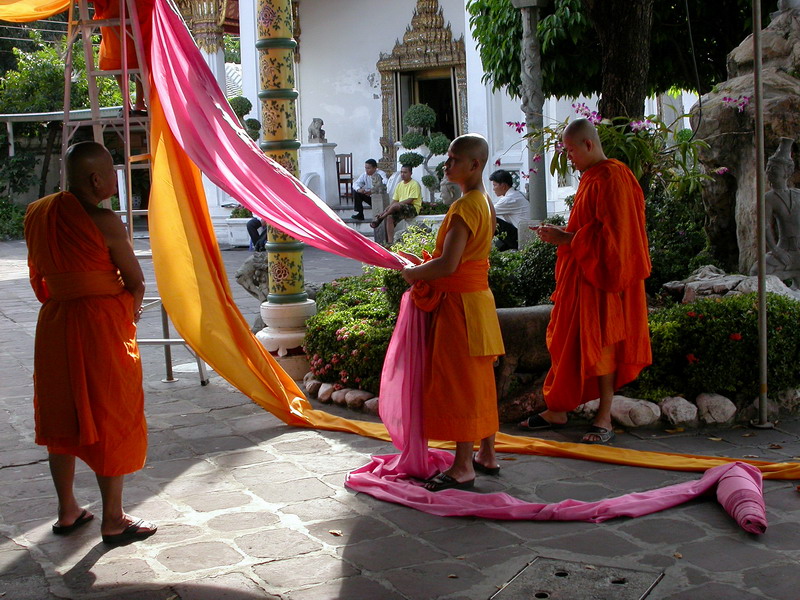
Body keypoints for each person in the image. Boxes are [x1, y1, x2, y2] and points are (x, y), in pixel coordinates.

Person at [24, 141, 157, 544]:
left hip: (56, 323)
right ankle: (113, 519)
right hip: (100, 327)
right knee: (110, 412)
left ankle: (67, 511)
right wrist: (126, 316)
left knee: (59, 418)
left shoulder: (38, 213)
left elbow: (41, 278)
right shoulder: (104, 221)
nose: (117, 178)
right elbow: (135, 282)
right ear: (96, 178)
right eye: (112, 172)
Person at [519, 118, 651, 444]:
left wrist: (565, 238)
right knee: (565, 342)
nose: (568, 158)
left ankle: (604, 417)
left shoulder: (613, 177)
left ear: (588, 145)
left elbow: (615, 240)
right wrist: (563, 237)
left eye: (570, 150)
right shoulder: (593, 177)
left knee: (602, 345)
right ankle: (558, 409)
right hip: (582, 276)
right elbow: (591, 227)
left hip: (603, 280)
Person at [401, 133, 505, 491]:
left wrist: (413, 273)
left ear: (474, 165)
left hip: (461, 304)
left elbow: (448, 264)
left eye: (454, 159)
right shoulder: (484, 201)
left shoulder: (464, 208)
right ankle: (487, 453)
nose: (447, 165)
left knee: (461, 383)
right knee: (480, 380)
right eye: (447, 159)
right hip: (480, 301)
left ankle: (463, 466)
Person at [93, 0, 155, 115]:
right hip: (131, 10)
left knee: (122, 53)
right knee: (136, 53)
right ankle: (136, 102)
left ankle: (130, 102)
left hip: (121, 10)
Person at [749, 144, 800, 277]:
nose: (769, 171)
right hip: (784, 250)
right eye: (768, 167)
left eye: (775, 168)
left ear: (787, 171)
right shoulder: (769, 198)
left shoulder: (797, 194)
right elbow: (764, 226)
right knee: (757, 271)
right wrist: (777, 251)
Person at [371, 165, 422, 245]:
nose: (402, 174)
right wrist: (385, 210)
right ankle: (390, 243)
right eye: (401, 172)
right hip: (400, 207)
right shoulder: (399, 185)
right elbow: (394, 201)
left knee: (395, 206)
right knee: (390, 217)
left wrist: (395, 206)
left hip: (412, 208)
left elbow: (410, 200)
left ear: (410, 173)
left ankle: (381, 218)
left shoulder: (414, 184)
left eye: (405, 172)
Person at [488, 169, 529, 250]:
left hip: (521, 237)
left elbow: (487, 212)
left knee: (491, 219)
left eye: (495, 185)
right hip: (523, 233)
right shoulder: (517, 194)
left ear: (503, 186)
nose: (493, 189)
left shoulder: (509, 199)